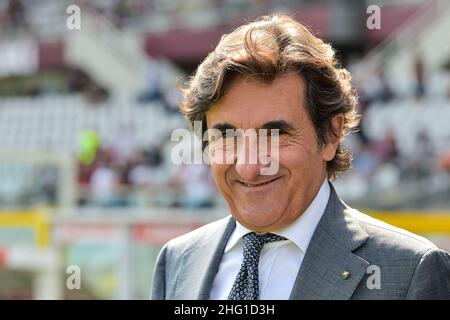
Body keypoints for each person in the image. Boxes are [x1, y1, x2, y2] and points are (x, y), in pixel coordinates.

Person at [151, 15, 450, 300]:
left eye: (275, 134)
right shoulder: (178, 260)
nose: (249, 167)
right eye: (227, 136)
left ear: (331, 135)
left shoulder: (410, 272)